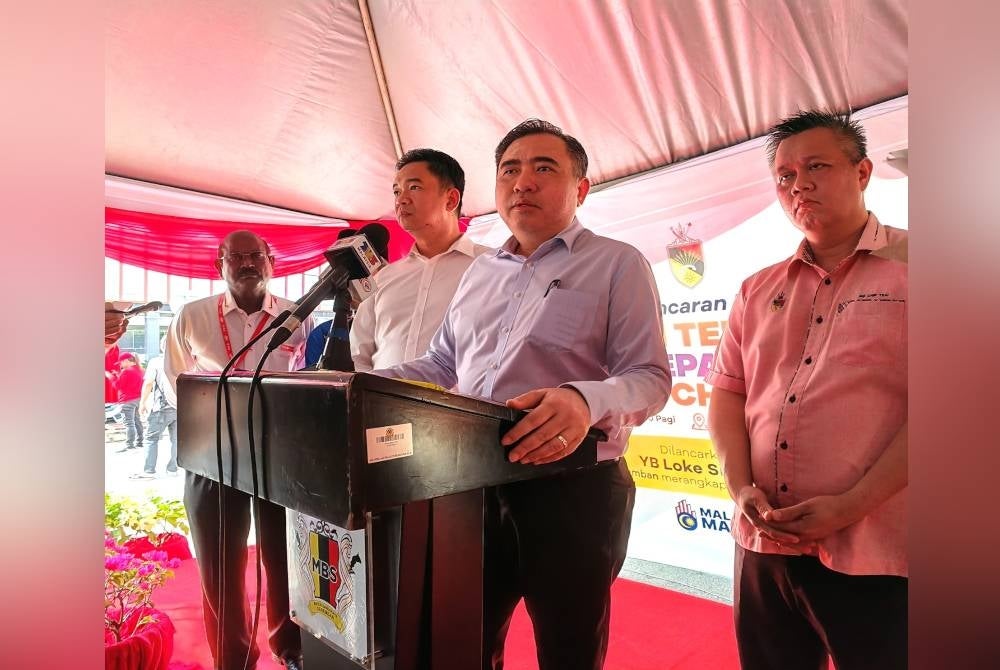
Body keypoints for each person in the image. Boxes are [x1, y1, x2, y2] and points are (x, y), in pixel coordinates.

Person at [374, 120, 672, 669]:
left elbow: (650, 377)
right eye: (509, 170)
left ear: (580, 189)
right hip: (472, 480)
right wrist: (364, 384)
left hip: (573, 489)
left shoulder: (616, 263)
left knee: (568, 646)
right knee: (466, 636)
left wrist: (584, 401)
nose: (522, 182)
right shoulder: (482, 271)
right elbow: (443, 364)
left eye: (543, 168)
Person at [705, 110, 907, 670]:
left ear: (863, 171)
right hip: (762, 546)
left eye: (816, 166)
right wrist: (739, 487)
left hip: (880, 550)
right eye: (785, 176)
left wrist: (851, 505)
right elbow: (728, 395)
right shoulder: (756, 288)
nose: (800, 185)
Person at [164, 229, 311, 670]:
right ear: (219, 265)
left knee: (285, 557)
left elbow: (306, 379)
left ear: (271, 262)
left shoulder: (294, 316)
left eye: (256, 256)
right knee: (219, 564)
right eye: (236, 257)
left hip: (278, 452)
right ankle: (234, 660)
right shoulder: (192, 315)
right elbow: (176, 381)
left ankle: (291, 651)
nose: (247, 264)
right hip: (213, 454)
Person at [350, 148, 490, 371]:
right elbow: (358, 354)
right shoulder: (384, 277)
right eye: (396, 192)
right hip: (379, 404)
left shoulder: (492, 267)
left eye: (414, 187)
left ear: (451, 199)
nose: (401, 199)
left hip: (458, 404)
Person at [131, 336, 177, 479]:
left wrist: (143, 402)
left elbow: (149, 383)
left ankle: (149, 470)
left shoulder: (156, 362)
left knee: (151, 438)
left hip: (161, 407)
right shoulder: (183, 362)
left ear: (162, 346)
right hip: (180, 407)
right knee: (176, 439)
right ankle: (173, 469)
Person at [112, 352, 145, 452]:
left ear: (126, 361)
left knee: (129, 423)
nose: (120, 365)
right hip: (138, 399)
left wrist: (113, 377)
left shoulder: (126, 371)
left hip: (127, 400)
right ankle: (140, 442)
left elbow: (118, 386)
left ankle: (129, 444)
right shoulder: (141, 370)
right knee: (137, 421)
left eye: (121, 362)